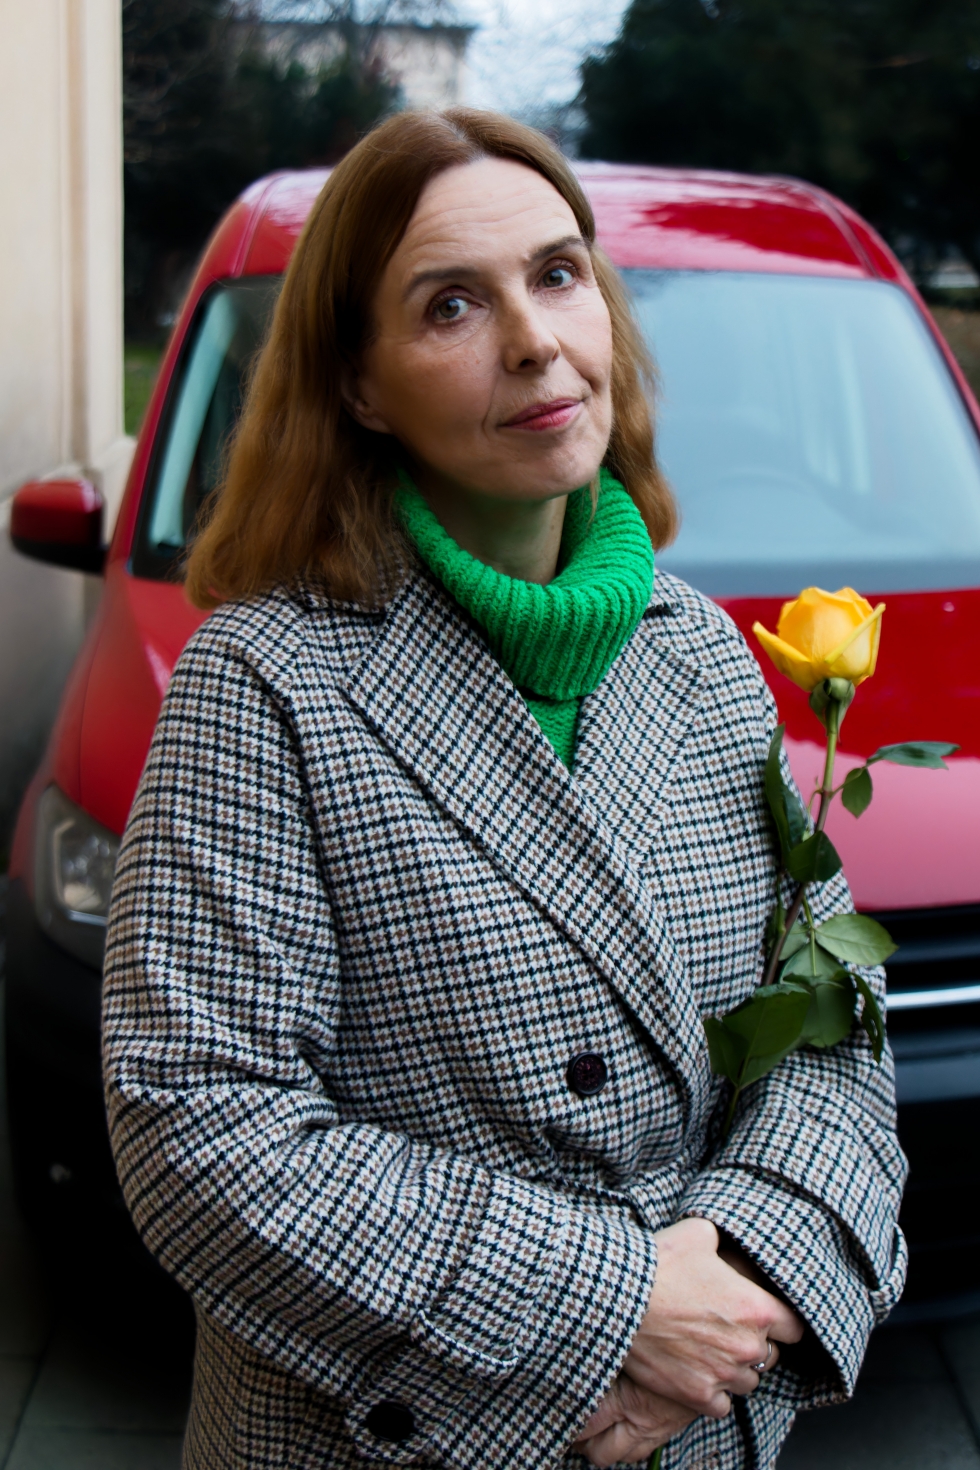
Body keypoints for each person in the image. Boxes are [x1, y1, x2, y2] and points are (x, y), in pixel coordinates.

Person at [102, 108, 907, 1470]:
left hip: (698, 1421)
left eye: (557, 273)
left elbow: (834, 1023)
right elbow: (197, 1118)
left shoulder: (705, 655)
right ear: (360, 387)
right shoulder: (264, 684)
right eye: (452, 304)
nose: (534, 339)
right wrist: (617, 1306)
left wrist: (744, 1270)